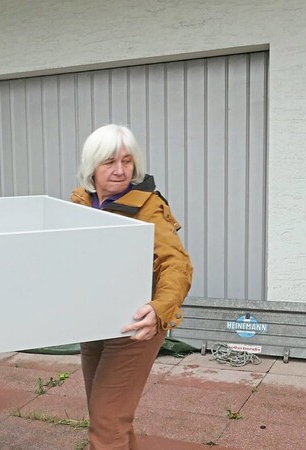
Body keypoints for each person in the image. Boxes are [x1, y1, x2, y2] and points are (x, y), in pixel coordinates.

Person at [70, 124, 193, 450]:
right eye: (109, 162)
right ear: (91, 167)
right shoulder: (81, 201)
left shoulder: (148, 207)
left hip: (136, 325)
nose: (120, 170)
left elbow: (176, 265)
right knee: (106, 416)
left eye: (127, 161)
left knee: (107, 421)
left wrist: (158, 310)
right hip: (94, 322)